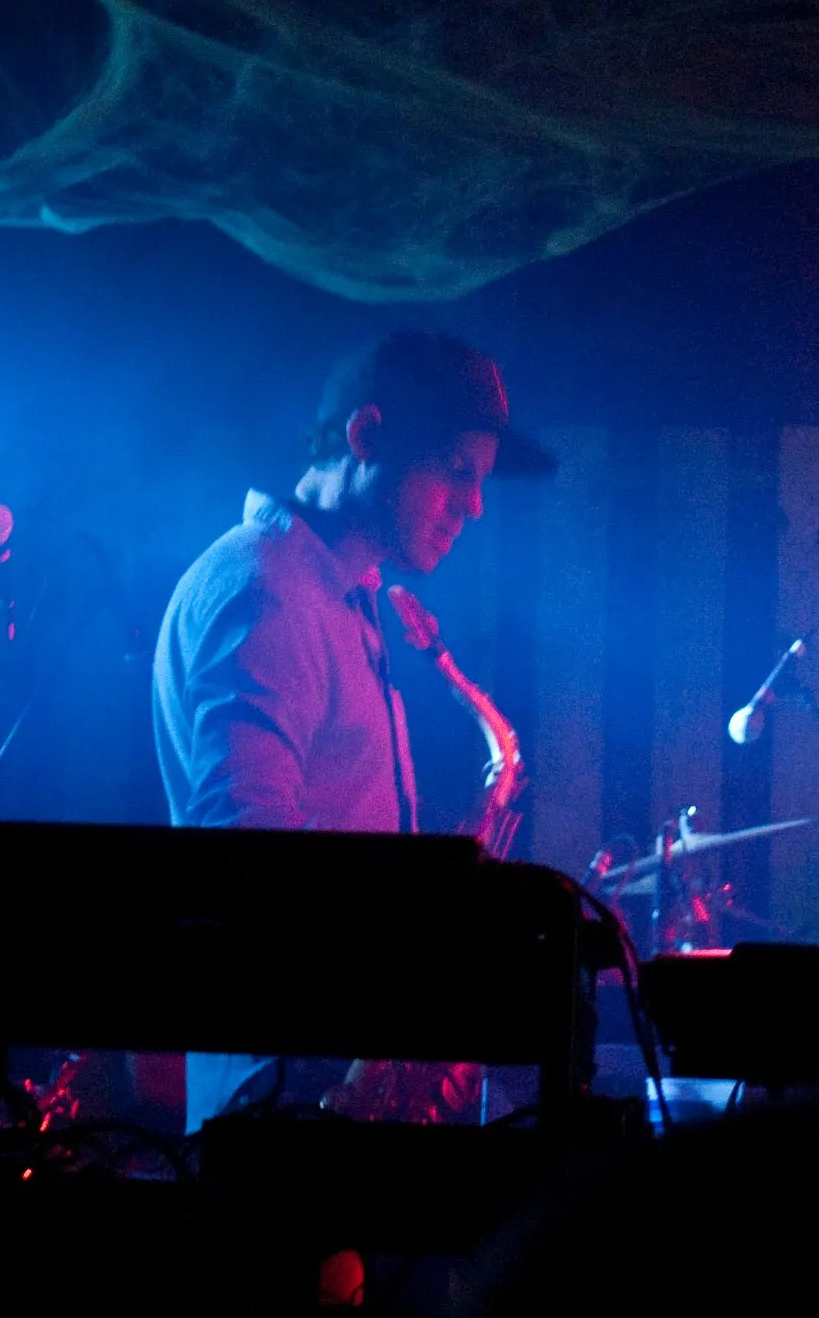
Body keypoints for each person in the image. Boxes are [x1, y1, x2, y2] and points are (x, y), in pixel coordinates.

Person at [153, 330, 551, 1131]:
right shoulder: (268, 592)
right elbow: (245, 860)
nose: (474, 505)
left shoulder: (340, 594)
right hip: (290, 1100)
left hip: (321, 1075)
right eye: (456, 471)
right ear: (367, 437)